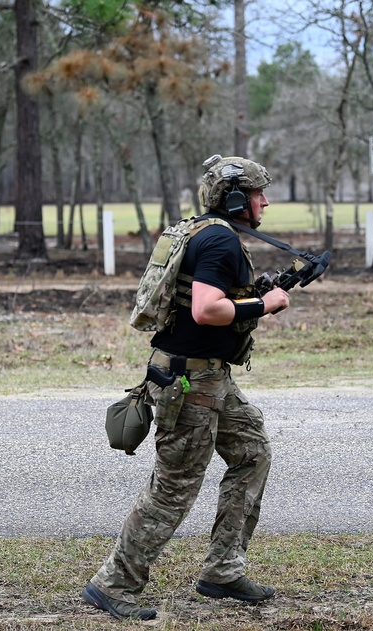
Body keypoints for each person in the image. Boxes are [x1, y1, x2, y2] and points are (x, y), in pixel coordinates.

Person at [82, 155, 291, 621]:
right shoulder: (219, 241)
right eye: (259, 193)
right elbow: (205, 309)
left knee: (252, 453)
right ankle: (113, 582)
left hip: (207, 374)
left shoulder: (200, 231)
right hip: (190, 382)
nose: (266, 201)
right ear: (236, 198)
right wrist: (265, 304)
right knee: (174, 487)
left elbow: (204, 296)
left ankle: (222, 569)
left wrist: (256, 289)